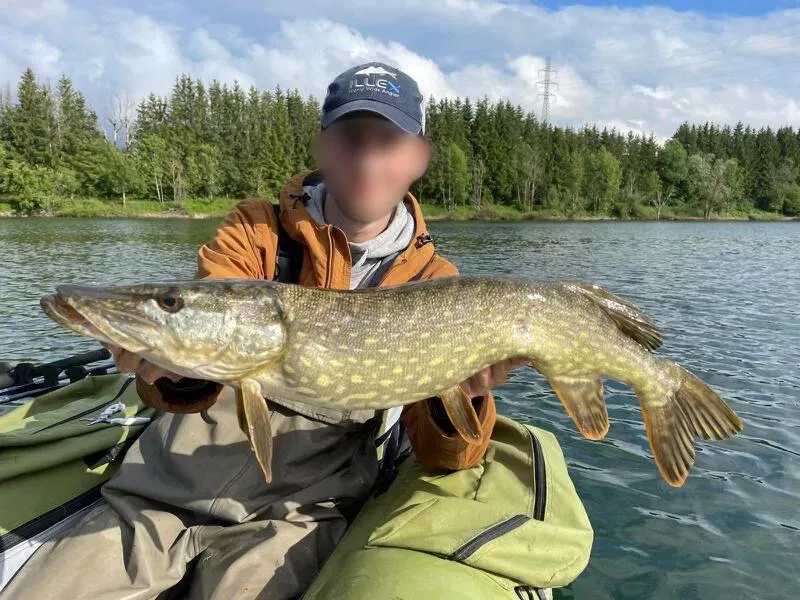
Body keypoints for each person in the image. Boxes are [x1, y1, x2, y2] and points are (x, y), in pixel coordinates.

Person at [1, 62, 526, 600]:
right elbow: (202, 350)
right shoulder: (256, 230)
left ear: (418, 157)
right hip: (161, 494)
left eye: (387, 141)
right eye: (349, 138)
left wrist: (464, 394)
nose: (367, 159)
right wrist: (170, 369)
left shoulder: (437, 282)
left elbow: (448, 457)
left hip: (296, 518)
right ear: (322, 146)